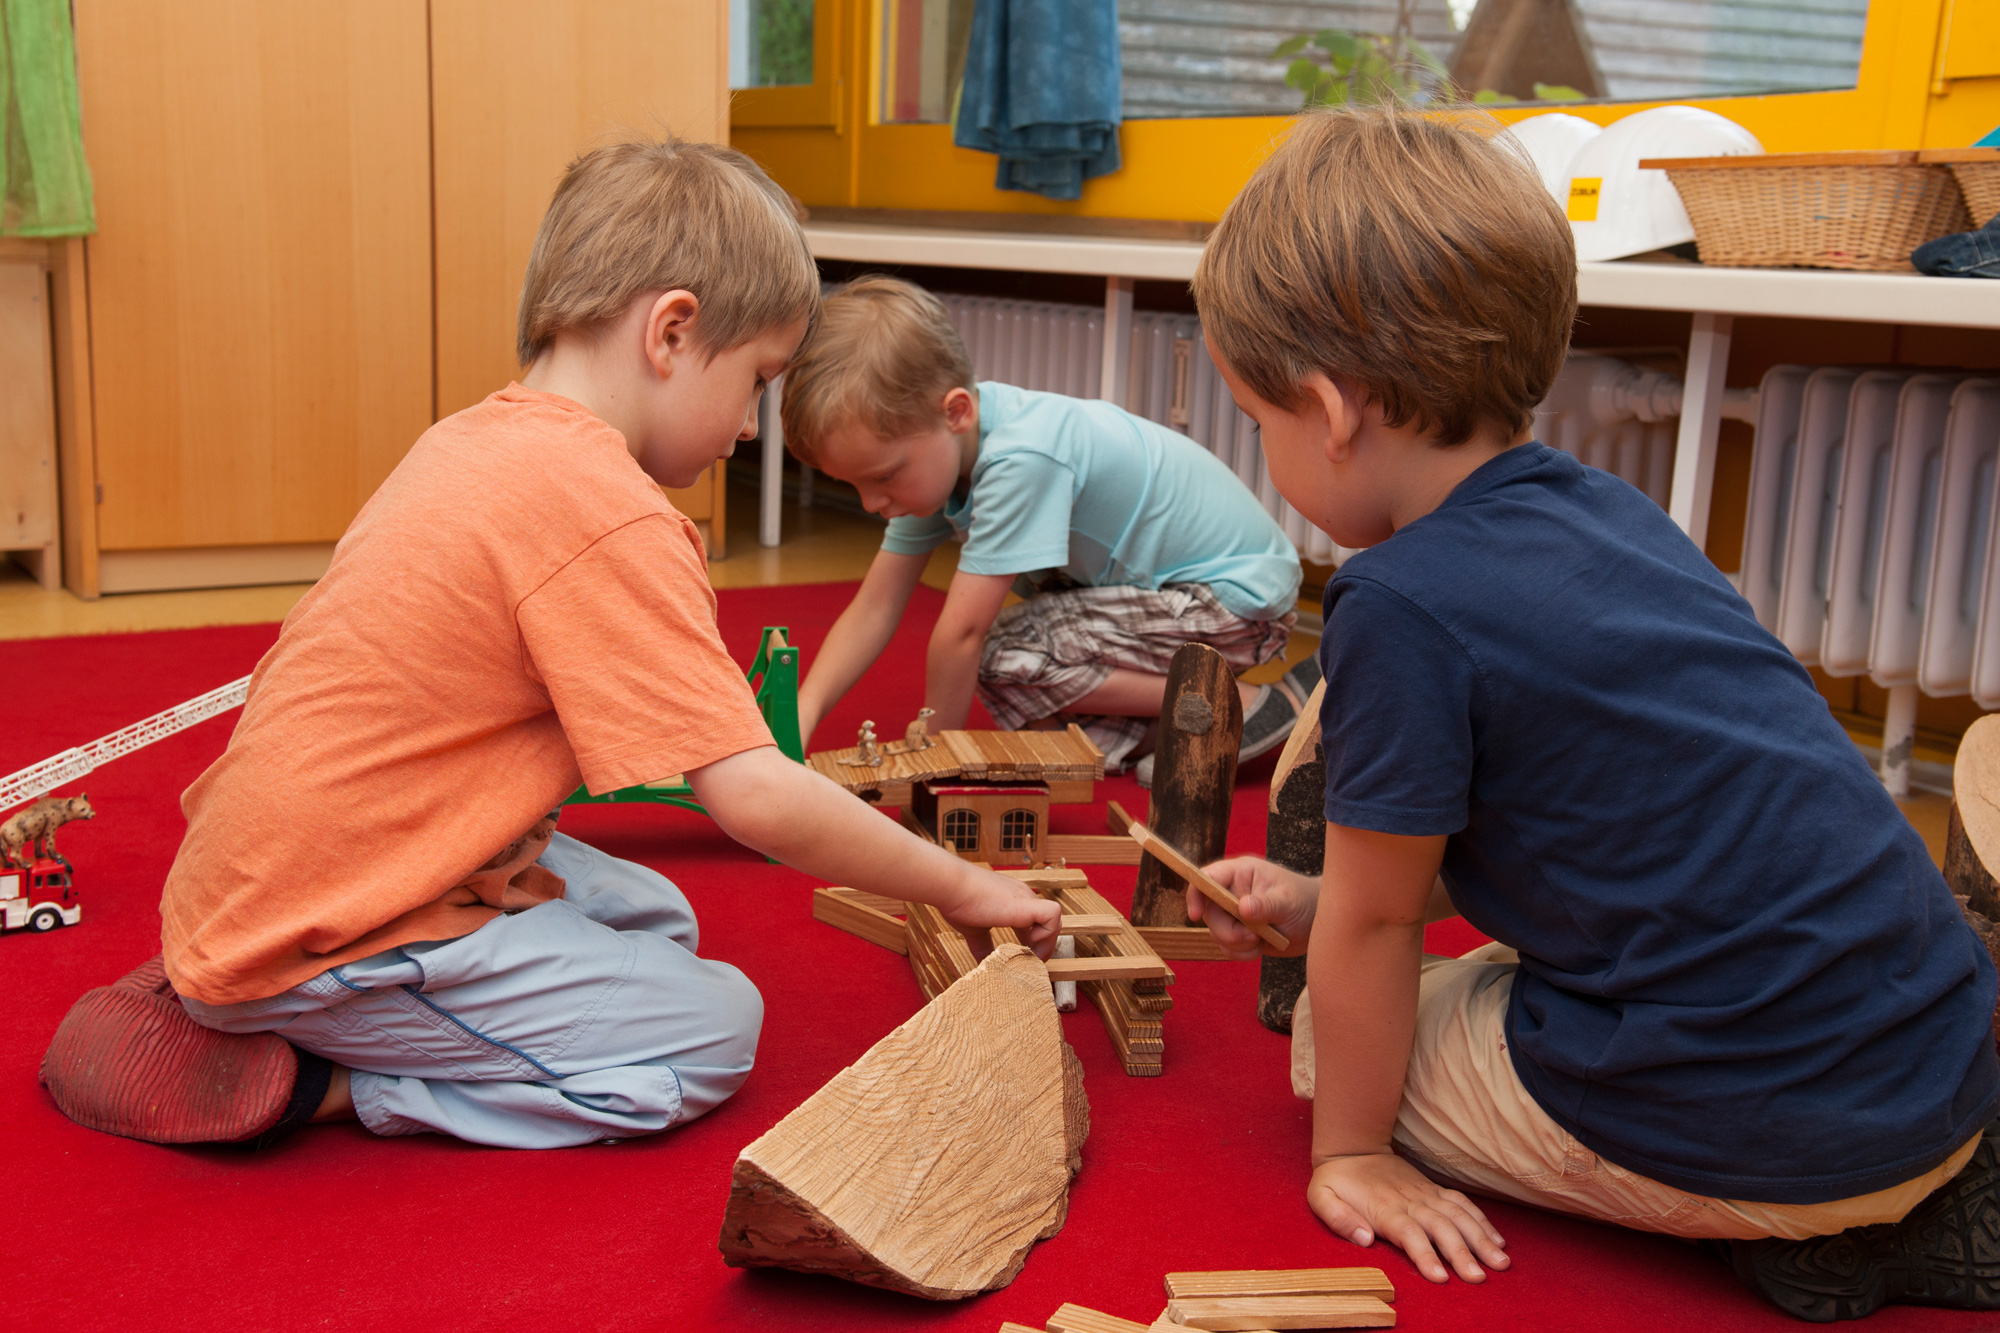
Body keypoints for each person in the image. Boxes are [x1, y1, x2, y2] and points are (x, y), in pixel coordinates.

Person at [39, 137, 1058, 1152]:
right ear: (670, 331)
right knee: (714, 1031)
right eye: (756, 380)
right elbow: (754, 794)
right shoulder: (610, 511)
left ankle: (253, 983)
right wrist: (964, 883)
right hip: (318, 930)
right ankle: (318, 1078)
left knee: (657, 916)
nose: (750, 428)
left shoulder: (470, 439)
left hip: (278, 875)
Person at [1184, 107, 2000, 1323]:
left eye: (1258, 421)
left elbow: (1374, 927)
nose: (1265, 451)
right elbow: (1578, 811)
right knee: (1458, 961)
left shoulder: (1395, 600)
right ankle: (1867, 1191)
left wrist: (1348, 1149)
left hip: (1783, 1137)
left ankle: (1818, 1230)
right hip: (1936, 1058)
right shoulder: (1610, 509)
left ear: (1330, 407)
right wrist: (1317, 901)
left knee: (1330, 1036)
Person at [779, 276, 1316, 780]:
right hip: (1173, 601)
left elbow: (962, 636)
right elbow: (875, 606)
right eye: (854, 486)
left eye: (884, 477)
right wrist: (800, 718)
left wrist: (933, 760)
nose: (872, 503)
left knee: (1003, 657)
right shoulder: (939, 453)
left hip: (1230, 603)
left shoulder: (1021, 457)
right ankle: (1176, 724)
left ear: (957, 412)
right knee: (1035, 712)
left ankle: (1237, 704)